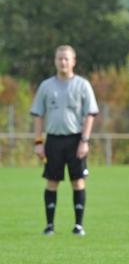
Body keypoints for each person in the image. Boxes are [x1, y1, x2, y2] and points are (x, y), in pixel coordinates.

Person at [30, 45, 99, 237]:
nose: (63, 62)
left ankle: (78, 225)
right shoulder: (46, 86)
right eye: (59, 58)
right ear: (55, 60)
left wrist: (84, 140)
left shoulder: (82, 85)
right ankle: (49, 225)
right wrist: (38, 142)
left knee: (78, 181)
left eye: (66, 58)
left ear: (73, 61)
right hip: (53, 140)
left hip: (76, 139)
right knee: (52, 181)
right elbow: (38, 115)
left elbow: (90, 115)